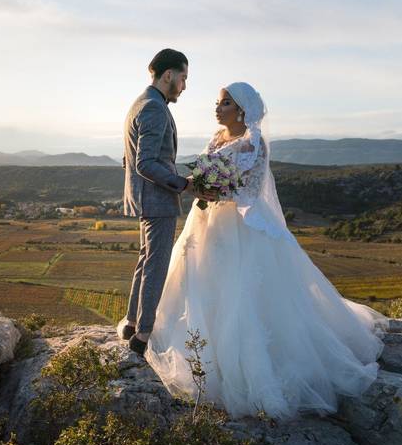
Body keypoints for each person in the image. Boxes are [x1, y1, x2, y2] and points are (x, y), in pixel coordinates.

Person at [142, 82, 385, 419]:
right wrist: (202, 186)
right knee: (200, 283)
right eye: (218, 101)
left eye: (225, 102)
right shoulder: (217, 138)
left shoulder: (253, 144)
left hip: (241, 227)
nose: (218, 107)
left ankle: (252, 373)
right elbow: (209, 173)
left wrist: (218, 190)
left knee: (241, 294)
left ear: (242, 110)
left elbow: (251, 188)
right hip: (208, 222)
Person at [120, 49, 217, 355]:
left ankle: (132, 323)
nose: (185, 86)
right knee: (156, 266)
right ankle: (144, 335)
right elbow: (144, 163)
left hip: (145, 198)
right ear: (168, 76)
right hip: (157, 200)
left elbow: (132, 157)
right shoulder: (154, 108)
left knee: (145, 261)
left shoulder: (140, 103)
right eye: (184, 78)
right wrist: (184, 184)